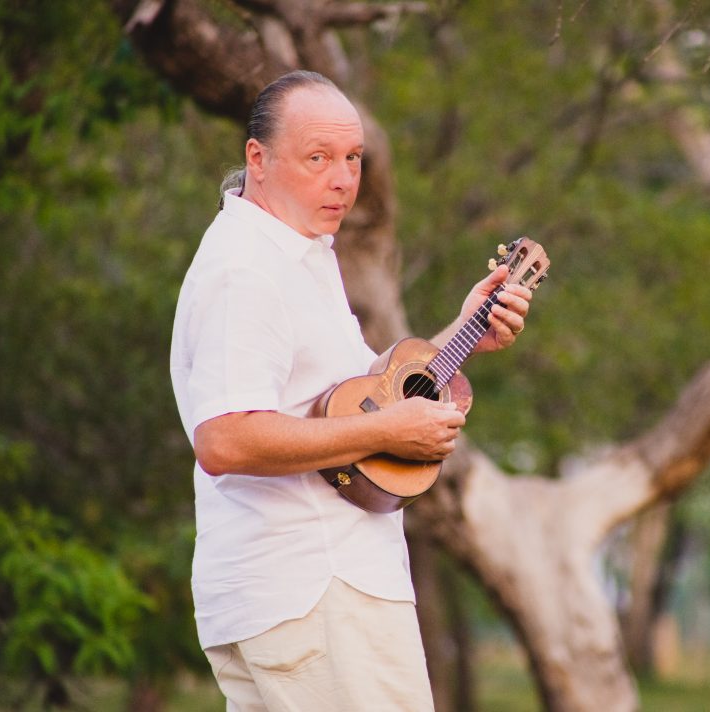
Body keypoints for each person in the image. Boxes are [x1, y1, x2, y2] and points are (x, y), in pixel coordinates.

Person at [169, 70, 532, 711]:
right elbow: (223, 438)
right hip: (316, 589)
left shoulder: (298, 253)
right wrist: (388, 432)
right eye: (319, 158)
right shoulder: (245, 270)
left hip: (308, 592)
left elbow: (367, 399)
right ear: (258, 158)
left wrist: (467, 331)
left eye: (353, 158)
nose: (343, 179)